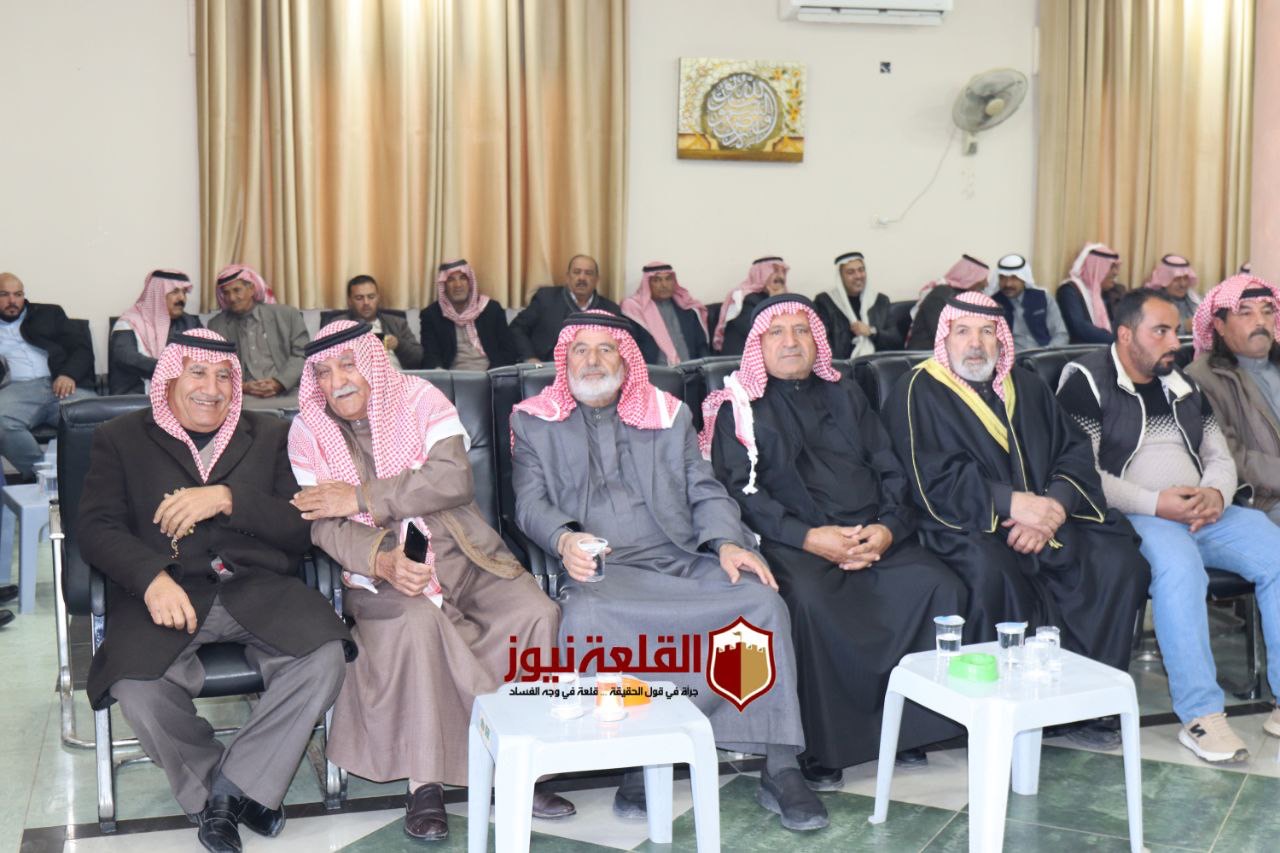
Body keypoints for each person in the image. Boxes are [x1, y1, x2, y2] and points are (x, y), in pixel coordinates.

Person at [512, 311, 828, 831]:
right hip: (604, 568)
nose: (593, 361)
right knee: (590, 616)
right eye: (581, 350)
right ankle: (638, 753)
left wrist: (727, 543)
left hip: (681, 558)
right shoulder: (533, 421)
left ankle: (780, 764)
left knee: (760, 602)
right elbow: (529, 503)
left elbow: (705, 489)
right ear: (564, 360)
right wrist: (564, 539)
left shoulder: (668, 413)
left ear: (626, 360)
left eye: (606, 349)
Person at [287, 320, 569, 840]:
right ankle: (425, 783)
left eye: (348, 365)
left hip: (465, 551)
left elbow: (452, 479)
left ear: (372, 363)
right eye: (323, 373)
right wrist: (382, 559)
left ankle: (523, 765)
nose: (337, 382)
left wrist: (361, 498)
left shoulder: (420, 399)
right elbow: (323, 525)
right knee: (417, 623)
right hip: (382, 572)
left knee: (535, 612)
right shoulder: (308, 432)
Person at [77, 328, 351, 853]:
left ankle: (228, 792)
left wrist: (228, 498)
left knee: (324, 658)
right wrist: (150, 578)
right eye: (198, 373)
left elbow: (299, 526)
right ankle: (227, 790)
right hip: (168, 596)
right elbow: (95, 527)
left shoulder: (270, 433)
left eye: (224, 376)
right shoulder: (120, 437)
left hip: (259, 590)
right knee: (136, 688)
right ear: (169, 379)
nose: (212, 388)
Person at [703, 294, 966, 786]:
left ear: (817, 341)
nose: (791, 342)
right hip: (793, 541)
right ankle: (825, 748)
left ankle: (910, 731)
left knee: (937, 585)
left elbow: (891, 467)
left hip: (870, 534)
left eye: (801, 331)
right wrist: (808, 538)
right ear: (758, 344)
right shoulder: (737, 406)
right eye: (777, 332)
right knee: (808, 600)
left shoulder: (847, 395)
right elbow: (740, 492)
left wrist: (887, 530)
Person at [885, 291, 1150, 746]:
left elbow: (1073, 450)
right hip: (965, 523)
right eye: (963, 331)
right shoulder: (916, 392)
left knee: (1117, 561)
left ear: (1001, 339)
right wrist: (1011, 504)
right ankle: (1003, 717)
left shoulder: (1025, 385)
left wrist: (1054, 508)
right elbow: (928, 476)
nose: (975, 344)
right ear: (944, 337)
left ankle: (1087, 707)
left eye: (986, 332)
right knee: (993, 572)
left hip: (1048, 519)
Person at [1058, 288, 1280, 762]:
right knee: (1180, 570)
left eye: (1175, 331)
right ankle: (1201, 716)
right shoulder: (1087, 382)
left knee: (1275, 552)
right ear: (1125, 335)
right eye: (1159, 331)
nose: (1172, 342)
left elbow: (1218, 455)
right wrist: (1156, 504)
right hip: (1136, 515)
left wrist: (1215, 493)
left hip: (1203, 511)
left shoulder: (1180, 383)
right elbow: (1083, 473)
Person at [1185, 276, 1280, 524]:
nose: (1260, 321)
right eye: (1246, 313)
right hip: (1263, 500)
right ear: (1220, 325)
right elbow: (1229, 455)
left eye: (1267, 312)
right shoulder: (1202, 378)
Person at [0, 272, 96, 479]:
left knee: (96, 417)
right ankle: (43, 477)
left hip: (60, 384)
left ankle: (78, 479)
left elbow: (82, 349)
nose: (12, 301)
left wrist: (68, 374)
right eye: (4, 295)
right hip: (18, 390)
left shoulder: (49, 314)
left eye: (18, 294)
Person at [509, 255, 663, 364]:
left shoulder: (610, 309)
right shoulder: (546, 298)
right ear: (567, 277)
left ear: (597, 280)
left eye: (588, 273)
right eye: (577, 272)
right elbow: (517, 328)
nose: (582, 278)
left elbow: (625, 345)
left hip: (592, 372)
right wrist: (530, 358)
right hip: (546, 369)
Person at [206, 264, 308, 408]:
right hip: (243, 397)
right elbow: (213, 366)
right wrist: (242, 386)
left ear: (252, 289)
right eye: (226, 293)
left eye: (237, 290)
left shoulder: (287, 315)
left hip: (288, 392)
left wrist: (279, 383)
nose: (232, 298)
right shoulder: (217, 325)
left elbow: (303, 354)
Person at [109, 269, 203, 394]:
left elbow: (207, 354)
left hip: (182, 395)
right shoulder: (129, 322)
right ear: (157, 295)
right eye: (175, 292)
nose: (182, 298)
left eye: (184, 292)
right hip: (137, 397)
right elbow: (128, 358)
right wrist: (170, 369)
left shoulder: (190, 322)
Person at [418, 259, 519, 370]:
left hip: (491, 374)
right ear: (444, 286)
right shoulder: (432, 315)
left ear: (470, 282)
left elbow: (508, 351)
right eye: (451, 280)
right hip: (451, 376)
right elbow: (431, 355)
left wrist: (494, 374)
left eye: (462, 278)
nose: (458, 285)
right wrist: (439, 372)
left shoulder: (491, 309)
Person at [619, 261, 710, 365]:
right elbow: (630, 349)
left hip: (691, 369)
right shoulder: (634, 310)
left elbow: (701, 346)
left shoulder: (687, 308)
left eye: (668, 279)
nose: (664, 285)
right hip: (654, 371)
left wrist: (706, 369)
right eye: (657, 280)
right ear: (647, 283)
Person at [814, 251, 900, 358]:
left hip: (877, 363)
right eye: (850, 272)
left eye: (861, 270)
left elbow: (896, 342)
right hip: (842, 365)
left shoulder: (880, 301)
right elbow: (822, 345)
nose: (858, 276)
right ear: (840, 277)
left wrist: (871, 332)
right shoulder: (825, 302)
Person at [904, 255, 990, 350]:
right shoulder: (940, 295)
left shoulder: (965, 296)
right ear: (970, 278)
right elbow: (941, 333)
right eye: (983, 278)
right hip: (925, 352)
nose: (986, 284)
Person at [341, 274, 424, 369]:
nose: (366, 302)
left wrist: (398, 344)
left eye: (371, 297)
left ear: (378, 298)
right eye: (359, 298)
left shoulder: (397, 323)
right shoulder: (339, 324)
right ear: (349, 301)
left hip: (395, 375)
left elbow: (419, 358)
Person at [988, 253, 1068, 352]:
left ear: (1024, 279)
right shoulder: (991, 304)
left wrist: (1047, 354)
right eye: (1003, 278)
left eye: (1014, 278)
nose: (1008, 284)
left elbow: (1061, 335)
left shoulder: (1044, 299)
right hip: (1011, 358)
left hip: (1044, 354)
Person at [713, 256, 788, 356]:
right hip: (741, 359)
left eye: (783, 271)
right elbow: (763, 333)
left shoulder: (785, 297)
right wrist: (775, 301)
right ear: (760, 275)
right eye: (775, 271)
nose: (781, 276)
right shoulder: (743, 299)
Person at [1057, 243, 1125, 343]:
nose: (1116, 273)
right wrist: (1117, 341)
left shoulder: (1111, 293)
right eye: (1111, 267)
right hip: (1085, 349)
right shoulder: (1070, 290)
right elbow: (1080, 328)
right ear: (1096, 268)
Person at [1144, 254, 1200, 333]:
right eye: (1177, 279)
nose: (1183, 284)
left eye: (1185, 278)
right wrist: (1185, 327)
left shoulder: (1194, 299)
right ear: (1164, 278)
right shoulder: (1151, 302)